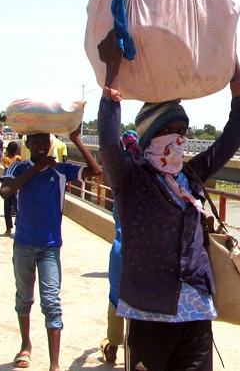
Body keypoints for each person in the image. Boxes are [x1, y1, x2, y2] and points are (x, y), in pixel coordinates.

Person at [97, 29, 240, 371]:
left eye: (183, 133)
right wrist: (112, 71)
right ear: (150, 139)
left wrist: (233, 65)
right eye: (172, 132)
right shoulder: (132, 180)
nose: (180, 141)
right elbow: (109, 144)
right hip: (148, 313)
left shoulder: (193, 175)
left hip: (196, 314)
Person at [0, 127, 101, 371]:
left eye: (45, 140)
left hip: (50, 246)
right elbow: (6, 192)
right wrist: (37, 168)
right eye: (36, 141)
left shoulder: (61, 170)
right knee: (24, 298)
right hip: (23, 243)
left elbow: (96, 172)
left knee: (52, 302)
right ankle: (26, 346)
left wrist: (76, 138)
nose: (42, 145)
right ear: (28, 143)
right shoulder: (19, 167)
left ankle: (54, 364)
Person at [99, 130, 140, 364]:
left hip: (120, 251)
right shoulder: (149, 184)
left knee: (116, 299)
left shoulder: (119, 188)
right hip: (143, 253)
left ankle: (113, 345)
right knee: (140, 302)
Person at [1, 141, 22, 236]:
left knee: (7, 208)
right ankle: (19, 226)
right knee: (18, 208)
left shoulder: (5, 159)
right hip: (17, 185)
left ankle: (8, 228)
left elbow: (7, 170)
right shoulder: (19, 158)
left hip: (8, 185)